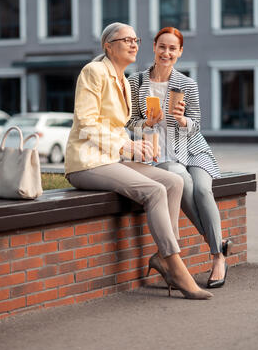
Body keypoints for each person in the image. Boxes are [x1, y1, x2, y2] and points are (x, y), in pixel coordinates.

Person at [64, 22, 213, 300]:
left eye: (136, 40)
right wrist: (127, 146)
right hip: (87, 163)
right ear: (109, 46)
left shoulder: (123, 78)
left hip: (111, 158)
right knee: (154, 190)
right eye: (126, 39)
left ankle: (162, 257)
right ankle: (176, 266)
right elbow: (86, 123)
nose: (134, 44)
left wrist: (141, 139)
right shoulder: (94, 72)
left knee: (173, 180)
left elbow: (122, 127)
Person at [127, 26, 232, 289]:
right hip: (160, 152)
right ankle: (218, 252)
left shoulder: (187, 84)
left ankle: (218, 256)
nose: (166, 52)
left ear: (180, 52)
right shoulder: (136, 81)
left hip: (193, 149)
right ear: (154, 46)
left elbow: (197, 125)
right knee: (183, 182)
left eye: (172, 48)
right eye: (162, 46)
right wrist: (146, 122)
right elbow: (128, 122)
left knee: (203, 192)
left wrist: (183, 120)